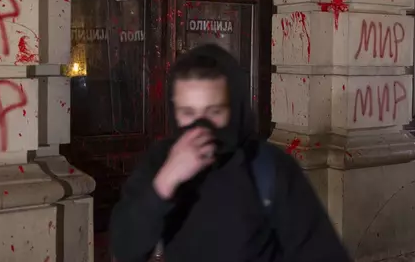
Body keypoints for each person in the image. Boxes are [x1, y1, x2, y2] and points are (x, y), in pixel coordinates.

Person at [109, 44, 352, 262]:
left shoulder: (268, 168)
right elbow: (125, 247)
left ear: (234, 110)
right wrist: (164, 184)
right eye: (188, 113)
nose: (200, 127)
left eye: (213, 112)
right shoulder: (161, 161)